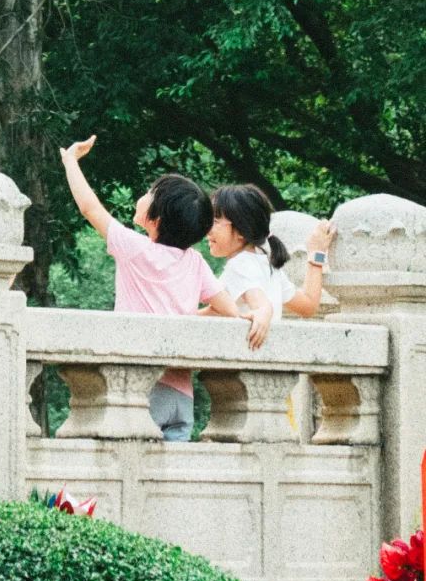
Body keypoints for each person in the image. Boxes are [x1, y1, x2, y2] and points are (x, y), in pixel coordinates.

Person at [60, 135, 270, 442]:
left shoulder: (134, 248)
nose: (143, 195)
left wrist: (70, 161)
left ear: (155, 217)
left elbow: (90, 207)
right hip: (181, 395)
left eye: (149, 193)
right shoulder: (195, 262)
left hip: (140, 388)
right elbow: (228, 310)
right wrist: (256, 315)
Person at [207, 184, 335, 343]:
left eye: (214, 221)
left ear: (240, 230)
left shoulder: (240, 265)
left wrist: (263, 310)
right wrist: (317, 253)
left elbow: (260, 303)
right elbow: (308, 305)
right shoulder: (267, 266)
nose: (207, 229)